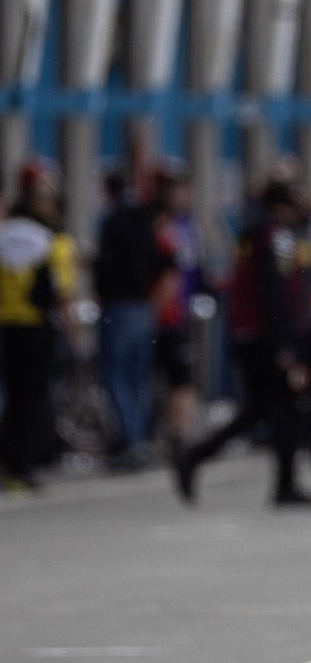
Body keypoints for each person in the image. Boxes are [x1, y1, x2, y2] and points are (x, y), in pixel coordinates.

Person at [173, 179, 311, 507]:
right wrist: (285, 346)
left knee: (261, 410)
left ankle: (198, 456)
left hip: (249, 333)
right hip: (267, 337)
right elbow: (276, 294)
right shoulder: (277, 238)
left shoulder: (254, 234)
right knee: (284, 409)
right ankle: (283, 484)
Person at [0, 163, 79, 490]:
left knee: (10, 397)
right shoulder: (53, 242)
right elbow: (62, 295)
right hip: (35, 329)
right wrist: (76, 338)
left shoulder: (4, 234)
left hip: (5, 327)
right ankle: (20, 466)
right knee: (30, 400)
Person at [95, 171, 170, 469]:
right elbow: (161, 263)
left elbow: (106, 266)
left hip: (121, 306)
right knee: (138, 377)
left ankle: (131, 439)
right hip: (143, 307)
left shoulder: (114, 222)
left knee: (116, 375)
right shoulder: (146, 225)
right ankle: (139, 436)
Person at [150, 170, 205, 458]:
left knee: (180, 379)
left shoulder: (188, 227)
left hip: (178, 314)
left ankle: (177, 434)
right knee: (173, 378)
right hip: (165, 315)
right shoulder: (162, 230)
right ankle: (172, 434)